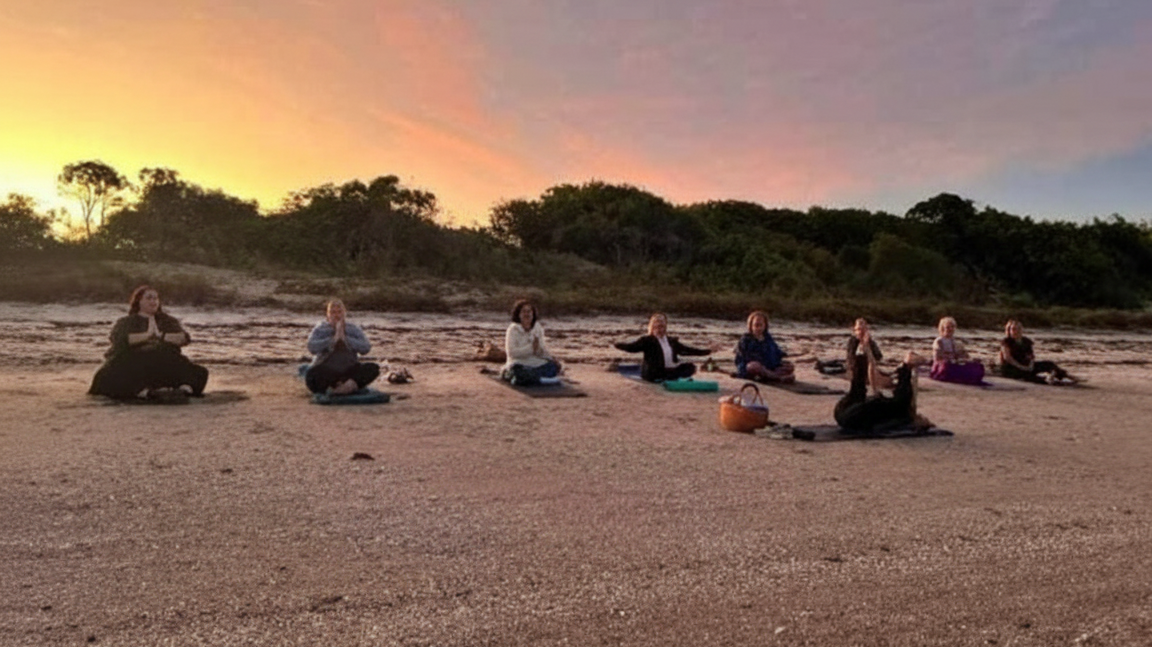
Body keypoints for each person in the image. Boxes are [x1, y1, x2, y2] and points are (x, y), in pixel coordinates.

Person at [88, 285, 209, 400]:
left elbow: (184, 338)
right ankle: (144, 392)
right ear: (138, 301)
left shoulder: (167, 321)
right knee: (108, 377)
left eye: (156, 298)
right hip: (134, 361)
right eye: (149, 298)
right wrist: (147, 336)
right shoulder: (126, 321)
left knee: (199, 373)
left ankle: (183, 390)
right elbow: (119, 339)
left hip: (163, 360)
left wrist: (161, 336)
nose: (153, 301)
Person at [834, 330, 931, 433]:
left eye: (923, 418)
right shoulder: (904, 416)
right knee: (899, 403)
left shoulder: (904, 417)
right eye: (923, 418)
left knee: (859, 391)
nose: (923, 416)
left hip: (849, 417)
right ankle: (904, 366)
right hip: (846, 415)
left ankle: (862, 355)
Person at [305, 299, 380, 395]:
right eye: (333, 312)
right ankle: (334, 387)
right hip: (327, 369)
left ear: (344, 313)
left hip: (349, 370)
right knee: (312, 375)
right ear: (328, 315)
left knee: (373, 368)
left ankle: (348, 386)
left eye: (339, 312)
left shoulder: (353, 329)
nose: (336, 315)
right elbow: (311, 347)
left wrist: (345, 339)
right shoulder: (320, 329)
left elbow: (366, 347)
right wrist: (333, 340)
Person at [614, 313, 711, 382]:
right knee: (656, 374)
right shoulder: (647, 340)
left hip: (669, 370)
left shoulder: (671, 341)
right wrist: (618, 345)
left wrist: (708, 351)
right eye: (658, 327)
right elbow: (632, 348)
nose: (661, 329)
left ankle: (670, 376)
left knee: (690, 367)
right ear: (653, 328)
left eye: (662, 327)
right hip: (655, 371)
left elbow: (687, 350)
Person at [502, 299, 562, 386]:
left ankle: (538, 379)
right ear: (518, 314)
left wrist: (551, 358)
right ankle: (543, 380)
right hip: (518, 363)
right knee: (518, 373)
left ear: (533, 314)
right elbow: (512, 353)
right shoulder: (513, 330)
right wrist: (530, 348)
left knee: (551, 366)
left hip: (535, 362)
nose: (527, 314)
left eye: (529, 311)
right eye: (524, 312)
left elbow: (542, 351)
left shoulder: (538, 328)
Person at [999, 319, 1075, 384]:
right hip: (1012, 367)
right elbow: (1008, 358)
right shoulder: (1006, 342)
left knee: (1049, 364)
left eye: (1019, 328)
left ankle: (1063, 376)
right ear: (1010, 330)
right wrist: (1022, 367)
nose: (1017, 331)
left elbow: (1031, 356)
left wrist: (1030, 365)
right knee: (1026, 376)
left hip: (1025, 364)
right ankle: (1047, 380)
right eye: (1014, 329)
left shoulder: (1026, 341)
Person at [734, 310, 795, 383]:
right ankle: (777, 378)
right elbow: (745, 356)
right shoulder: (745, 339)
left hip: (769, 366)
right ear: (751, 326)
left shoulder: (767, 338)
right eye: (756, 325)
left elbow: (775, 351)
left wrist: (782, 356)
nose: (758, 328)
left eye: (761, 325)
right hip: (752, 366)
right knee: (753, 367)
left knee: (789, 366)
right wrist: (760, 360)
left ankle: (770, 376)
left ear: (765, 326)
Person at [930, 316, 985, 385]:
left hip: (955, 362)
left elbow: (964, 355)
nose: (950, 329)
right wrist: (950, 359)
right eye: (948, 327)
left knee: (977, 366)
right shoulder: (939, 341)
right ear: (942, 328)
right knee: (947, 366)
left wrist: (968, 359)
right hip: (942, 365)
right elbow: (938, 357)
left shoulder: (956, 342)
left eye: (952, 327)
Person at [845, 317, 884, 384]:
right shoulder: (853, 341)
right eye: (858, 330)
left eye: (863, 330)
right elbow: (851, 358)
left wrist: (868, 346)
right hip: (856, 370)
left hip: (871, 368)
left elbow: (879, 356)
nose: (860, 332)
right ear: (855, 330)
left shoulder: (871, 342)